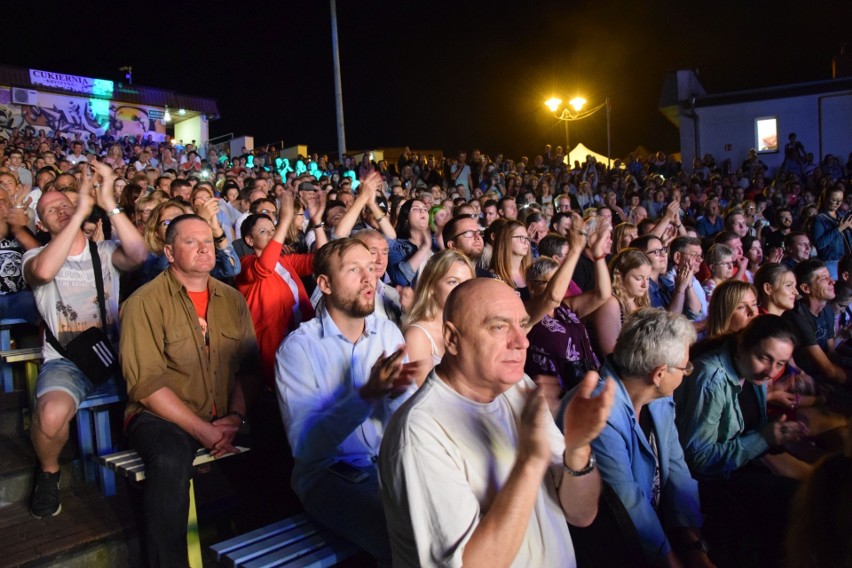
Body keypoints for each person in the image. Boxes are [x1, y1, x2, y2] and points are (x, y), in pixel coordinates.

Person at [379, 278, 615, 567]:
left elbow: (581, 514)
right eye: (499, 327)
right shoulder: (419, 432)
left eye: (522, 324)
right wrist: (530, 460)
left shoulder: (521, 388)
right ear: (452, 339)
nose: (522, 340)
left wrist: (578, 450)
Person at [120, 213, 258, 566]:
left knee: (283, 436)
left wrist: (235, 417)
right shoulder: (144, 302)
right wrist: (205, 430)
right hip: (162, 414)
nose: (203, 249)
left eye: (208, 242)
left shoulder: (231, 299)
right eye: (190, 242)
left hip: (224, 411)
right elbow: (146, 385)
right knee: (168, 462)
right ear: (168, 252)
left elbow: (248, 368)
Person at [276, 238, 417, 564]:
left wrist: (396, 395)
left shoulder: (388, 333)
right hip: (329, 476)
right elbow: (306, 448)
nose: (369, 278)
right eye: (354, 270)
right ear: (324, 283)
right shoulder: (299, 349)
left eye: (371, 268)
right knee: (408, 536)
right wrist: (367, 394)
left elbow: (402, 420)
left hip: (388, 463)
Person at [24, 162, 147, 518]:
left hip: (114, 352)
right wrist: (78, 212)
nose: (61, 209)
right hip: (67, 360)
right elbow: (45, 272)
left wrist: (108, 201)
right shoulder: (34, 256)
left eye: (65, 203)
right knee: (49, 415)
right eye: (51, 210)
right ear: (41, 226)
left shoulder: (106, 251)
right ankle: (49, 472)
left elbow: (139, 255)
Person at [569, 309, 711, 568]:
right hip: (610, 548)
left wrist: (694, 547)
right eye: (685, 367)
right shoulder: (601, 410)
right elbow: (628, 504)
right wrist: (672, 562)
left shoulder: (659, 399)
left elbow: (678, 471)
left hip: (653, 533)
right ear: (658, 374)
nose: (687, 372)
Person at [675, 315, 807, 566]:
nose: (771, 371)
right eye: (764, 358)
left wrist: (775, 434)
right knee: (793, 501)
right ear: (742, 345)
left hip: (735, 468)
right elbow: (698, 459)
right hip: (709, 483)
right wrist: (763, 438)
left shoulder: (753, 375)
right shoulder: (711, 378)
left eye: (780, 363)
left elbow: (749, 429)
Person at [235, 193, 327, 387]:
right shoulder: (245, 264)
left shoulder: (285, 261)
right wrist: (284, 221)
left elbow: (323, 259)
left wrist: (317, 222)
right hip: (272, 349)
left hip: (303, 339)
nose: (270, 234)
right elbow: (264, 267)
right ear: (249, 240)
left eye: (272, 229)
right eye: (263, 231)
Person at [403, 250, 475, 385]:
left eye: (467, 282)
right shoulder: (417, 335)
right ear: (431, 287)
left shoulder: (470, 328)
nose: (462, 289)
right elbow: (425, 398)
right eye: (453, 282)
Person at [589, 249, 653, 358]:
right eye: (639, 278)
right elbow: (610, 351)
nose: (645, 285)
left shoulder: (639, 301)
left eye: (647, 279)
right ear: (620, 275)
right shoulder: (611, 303)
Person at [809, 186, 852, 279]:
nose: (838, 203)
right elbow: (820, 244)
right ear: (826, 199)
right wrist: (839, 228)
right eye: (834, 200)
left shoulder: (842, 216)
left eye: (840, 200)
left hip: (847, 260)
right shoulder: (819, 219)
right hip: (832, 261)